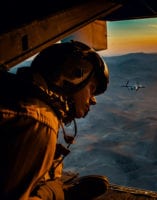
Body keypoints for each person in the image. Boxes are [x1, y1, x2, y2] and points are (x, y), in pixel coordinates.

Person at [0, 41, 109, 200]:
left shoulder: (15, 94)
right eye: (91, 89)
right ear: (74, 77)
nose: (93, 100)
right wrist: (53, 192)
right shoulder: (37, 122)